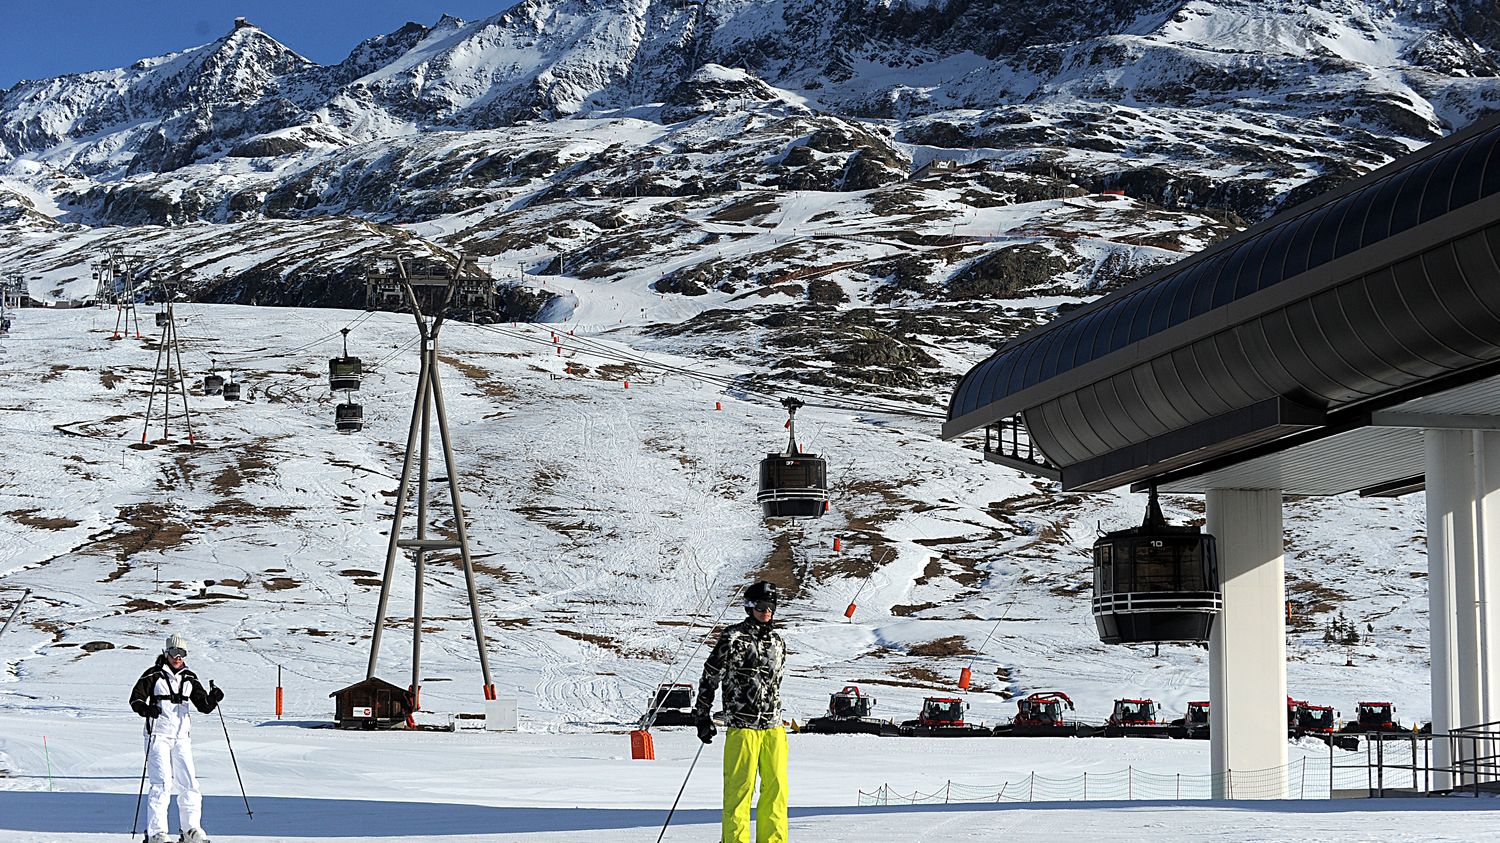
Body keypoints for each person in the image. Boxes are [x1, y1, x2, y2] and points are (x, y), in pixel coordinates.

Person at [694, 581, 789, 843]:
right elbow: (710, 675)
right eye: (761, 605)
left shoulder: (777, 642)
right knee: (740, 792)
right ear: (749, 606)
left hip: (773, 727)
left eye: (771, 606)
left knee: (776, 790)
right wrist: (702, 714)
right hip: (742, 726)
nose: (766, 611)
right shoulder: (732, 637)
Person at [129, 632, 224, 843]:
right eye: (174, 652)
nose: (177, 657)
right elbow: (135, 699)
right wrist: (146, 710)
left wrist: (214, 698)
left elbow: (204, 706)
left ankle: (191, 829)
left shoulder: (189, 676)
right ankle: (157, 832)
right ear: (166, 652)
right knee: (161, 783)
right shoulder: (153, 674)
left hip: (182, 737)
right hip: (158, 735)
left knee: (189, 782)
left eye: (181, 653)